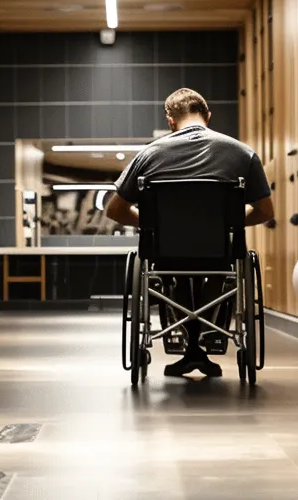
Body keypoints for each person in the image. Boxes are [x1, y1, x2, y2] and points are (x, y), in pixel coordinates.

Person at [105, 88, 274, 378]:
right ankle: (205, 337)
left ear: (170, 121)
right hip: (220, 254)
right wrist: (227, 222)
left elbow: (115, 210)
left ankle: (189, 344)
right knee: (221, 268)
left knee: (171, 268)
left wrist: (151, 223)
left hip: (166, 254)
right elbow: (265, 212)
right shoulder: (242, 153)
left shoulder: (148, 155)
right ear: (208, 116)